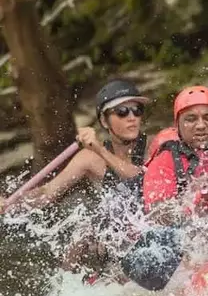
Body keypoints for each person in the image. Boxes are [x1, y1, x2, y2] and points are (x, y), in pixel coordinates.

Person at [0, 79, 150, 212]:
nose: (132, 118)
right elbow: (47, 192)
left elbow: (140, 178)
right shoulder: (90, 158)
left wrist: (100, 150)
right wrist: (11, 203)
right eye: (122, 111)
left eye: (137, 110)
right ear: (104, 121)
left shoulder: (154, 146)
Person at [142, 86, 208, 230]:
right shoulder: (166, 159)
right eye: (191, 119)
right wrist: (195, 199)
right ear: (178, 125)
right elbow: (158, 214)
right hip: (188, 240)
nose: (200, 125)